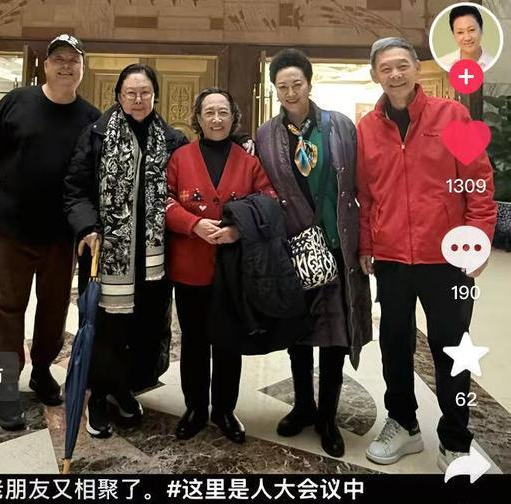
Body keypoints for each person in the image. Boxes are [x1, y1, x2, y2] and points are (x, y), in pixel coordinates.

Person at [357, 37, 497, 469]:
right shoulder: (367, 128)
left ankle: (455, 438)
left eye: (402, 65)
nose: (395, 74)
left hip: (448, 259)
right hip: (393, 259)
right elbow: (366, 195)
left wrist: (477, 242)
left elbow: (479, 184)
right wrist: (367, 244)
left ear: (417, 68)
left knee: (451, 348)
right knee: (394, 344)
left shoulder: (451, 115)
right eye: (385, 68)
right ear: (375, 75)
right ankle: (404, 425)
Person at [256, 48, 372, 458]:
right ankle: (303, 405)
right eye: (282, 86)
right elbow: (263, 190)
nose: (290, 92)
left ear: (309, 83)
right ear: (275, 89)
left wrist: (366, 243)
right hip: (295, 251)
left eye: (297, 84)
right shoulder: (265, 134)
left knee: (336, 334)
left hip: (337, 246)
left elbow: (361, 186)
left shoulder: (339, 127)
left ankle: (327, 416)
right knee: (299, 332)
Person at [0, 34, 100, 430]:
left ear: (82, 68)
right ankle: (6, 385)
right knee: (5, 306)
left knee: (54, 307)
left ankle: (42, 369)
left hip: (60, 235)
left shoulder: (90, 118)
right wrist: (16, 186)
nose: (65, 65)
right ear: (46, 66)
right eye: (58, 59)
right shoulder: (17, 102)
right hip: (11, 229)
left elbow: (91, 175)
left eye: (73, 60)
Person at [64, 63, 188, 439]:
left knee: (144, 326)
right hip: (108, 251)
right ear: (118, 96)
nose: (137, 99)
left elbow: (184, 184)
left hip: (153, 256)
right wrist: (88, 226)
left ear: (155, 96)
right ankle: (99, 398)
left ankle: (124, 387)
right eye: (130, 93)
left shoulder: (172, 140)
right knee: (107, 328)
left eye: (145, 93)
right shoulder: (97, 134)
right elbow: (75, 187)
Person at [166, 88, 277, 443]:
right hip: (189, 268)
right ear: (198, 118)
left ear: (234, 118)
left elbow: (268, 201)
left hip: (233, 270)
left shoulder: (249, 162)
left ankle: (225, 410)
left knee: (229, 342)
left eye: (223, 112)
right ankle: (195, 408)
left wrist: (236, 229)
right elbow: (164, 200)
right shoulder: (180, 158)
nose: (216, 119)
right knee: (194, 341)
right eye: (209, 112)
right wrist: (193, 224)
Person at [438, 5, 494, 71]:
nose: (467, 38)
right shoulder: (443, 63)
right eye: (460, 32)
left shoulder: (492, 63)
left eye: (471, 30)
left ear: (481, 30)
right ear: (453, 35)